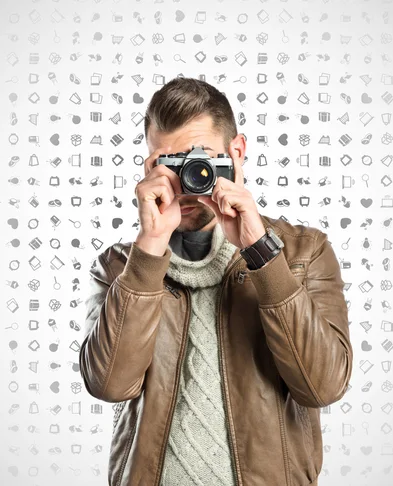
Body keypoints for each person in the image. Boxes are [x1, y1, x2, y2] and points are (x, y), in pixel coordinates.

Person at [80, 77, 352, 486]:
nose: (191, 179)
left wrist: (260, 250)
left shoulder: (302, 253)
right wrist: (151, 246)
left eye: (202, 159)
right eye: (172, 164)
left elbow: (323, 386)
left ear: (236, 153)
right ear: (150, 167)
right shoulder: (121, 266)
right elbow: (110, 385)